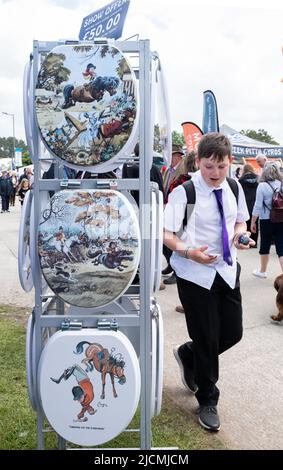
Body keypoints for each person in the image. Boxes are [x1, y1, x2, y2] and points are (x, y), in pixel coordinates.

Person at [163, 132, 253, 432]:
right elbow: (167, 234)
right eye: (209, 167)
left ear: (230, 163)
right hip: (195, 274)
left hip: (227, 270)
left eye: (222, 167)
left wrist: (241, 235)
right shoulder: (185, 193)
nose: (215, 174)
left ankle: (188, 354)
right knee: (207, 337)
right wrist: (189, 252)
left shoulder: (233, 185)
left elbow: (239, 220)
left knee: (232, 332)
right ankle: (208, 399)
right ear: (198, 161)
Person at [251, 162, 283, 278]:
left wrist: (253, 221)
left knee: (265, 245)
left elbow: (257, 206)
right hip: (281, 219)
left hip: (266, 220)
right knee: (281, 248)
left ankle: (263, 271)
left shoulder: (262, 186)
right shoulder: (281, 184)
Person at [161, 144, 185, 283]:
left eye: (170, 155)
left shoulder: (183, 171)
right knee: (165, 241)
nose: (167, 158)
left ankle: (177, 272)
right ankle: (171, 265)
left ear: (177, 156)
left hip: (178, 210)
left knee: (176, 240)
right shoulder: (167, 170)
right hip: (167, 208)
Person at [238, 164, 259, 246]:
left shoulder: (241, 180)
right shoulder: (258, 179)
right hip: (255, 203)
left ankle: (246, 242)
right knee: (255, 223)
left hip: (245, 203)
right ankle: (254, 243)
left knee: (245, 223)